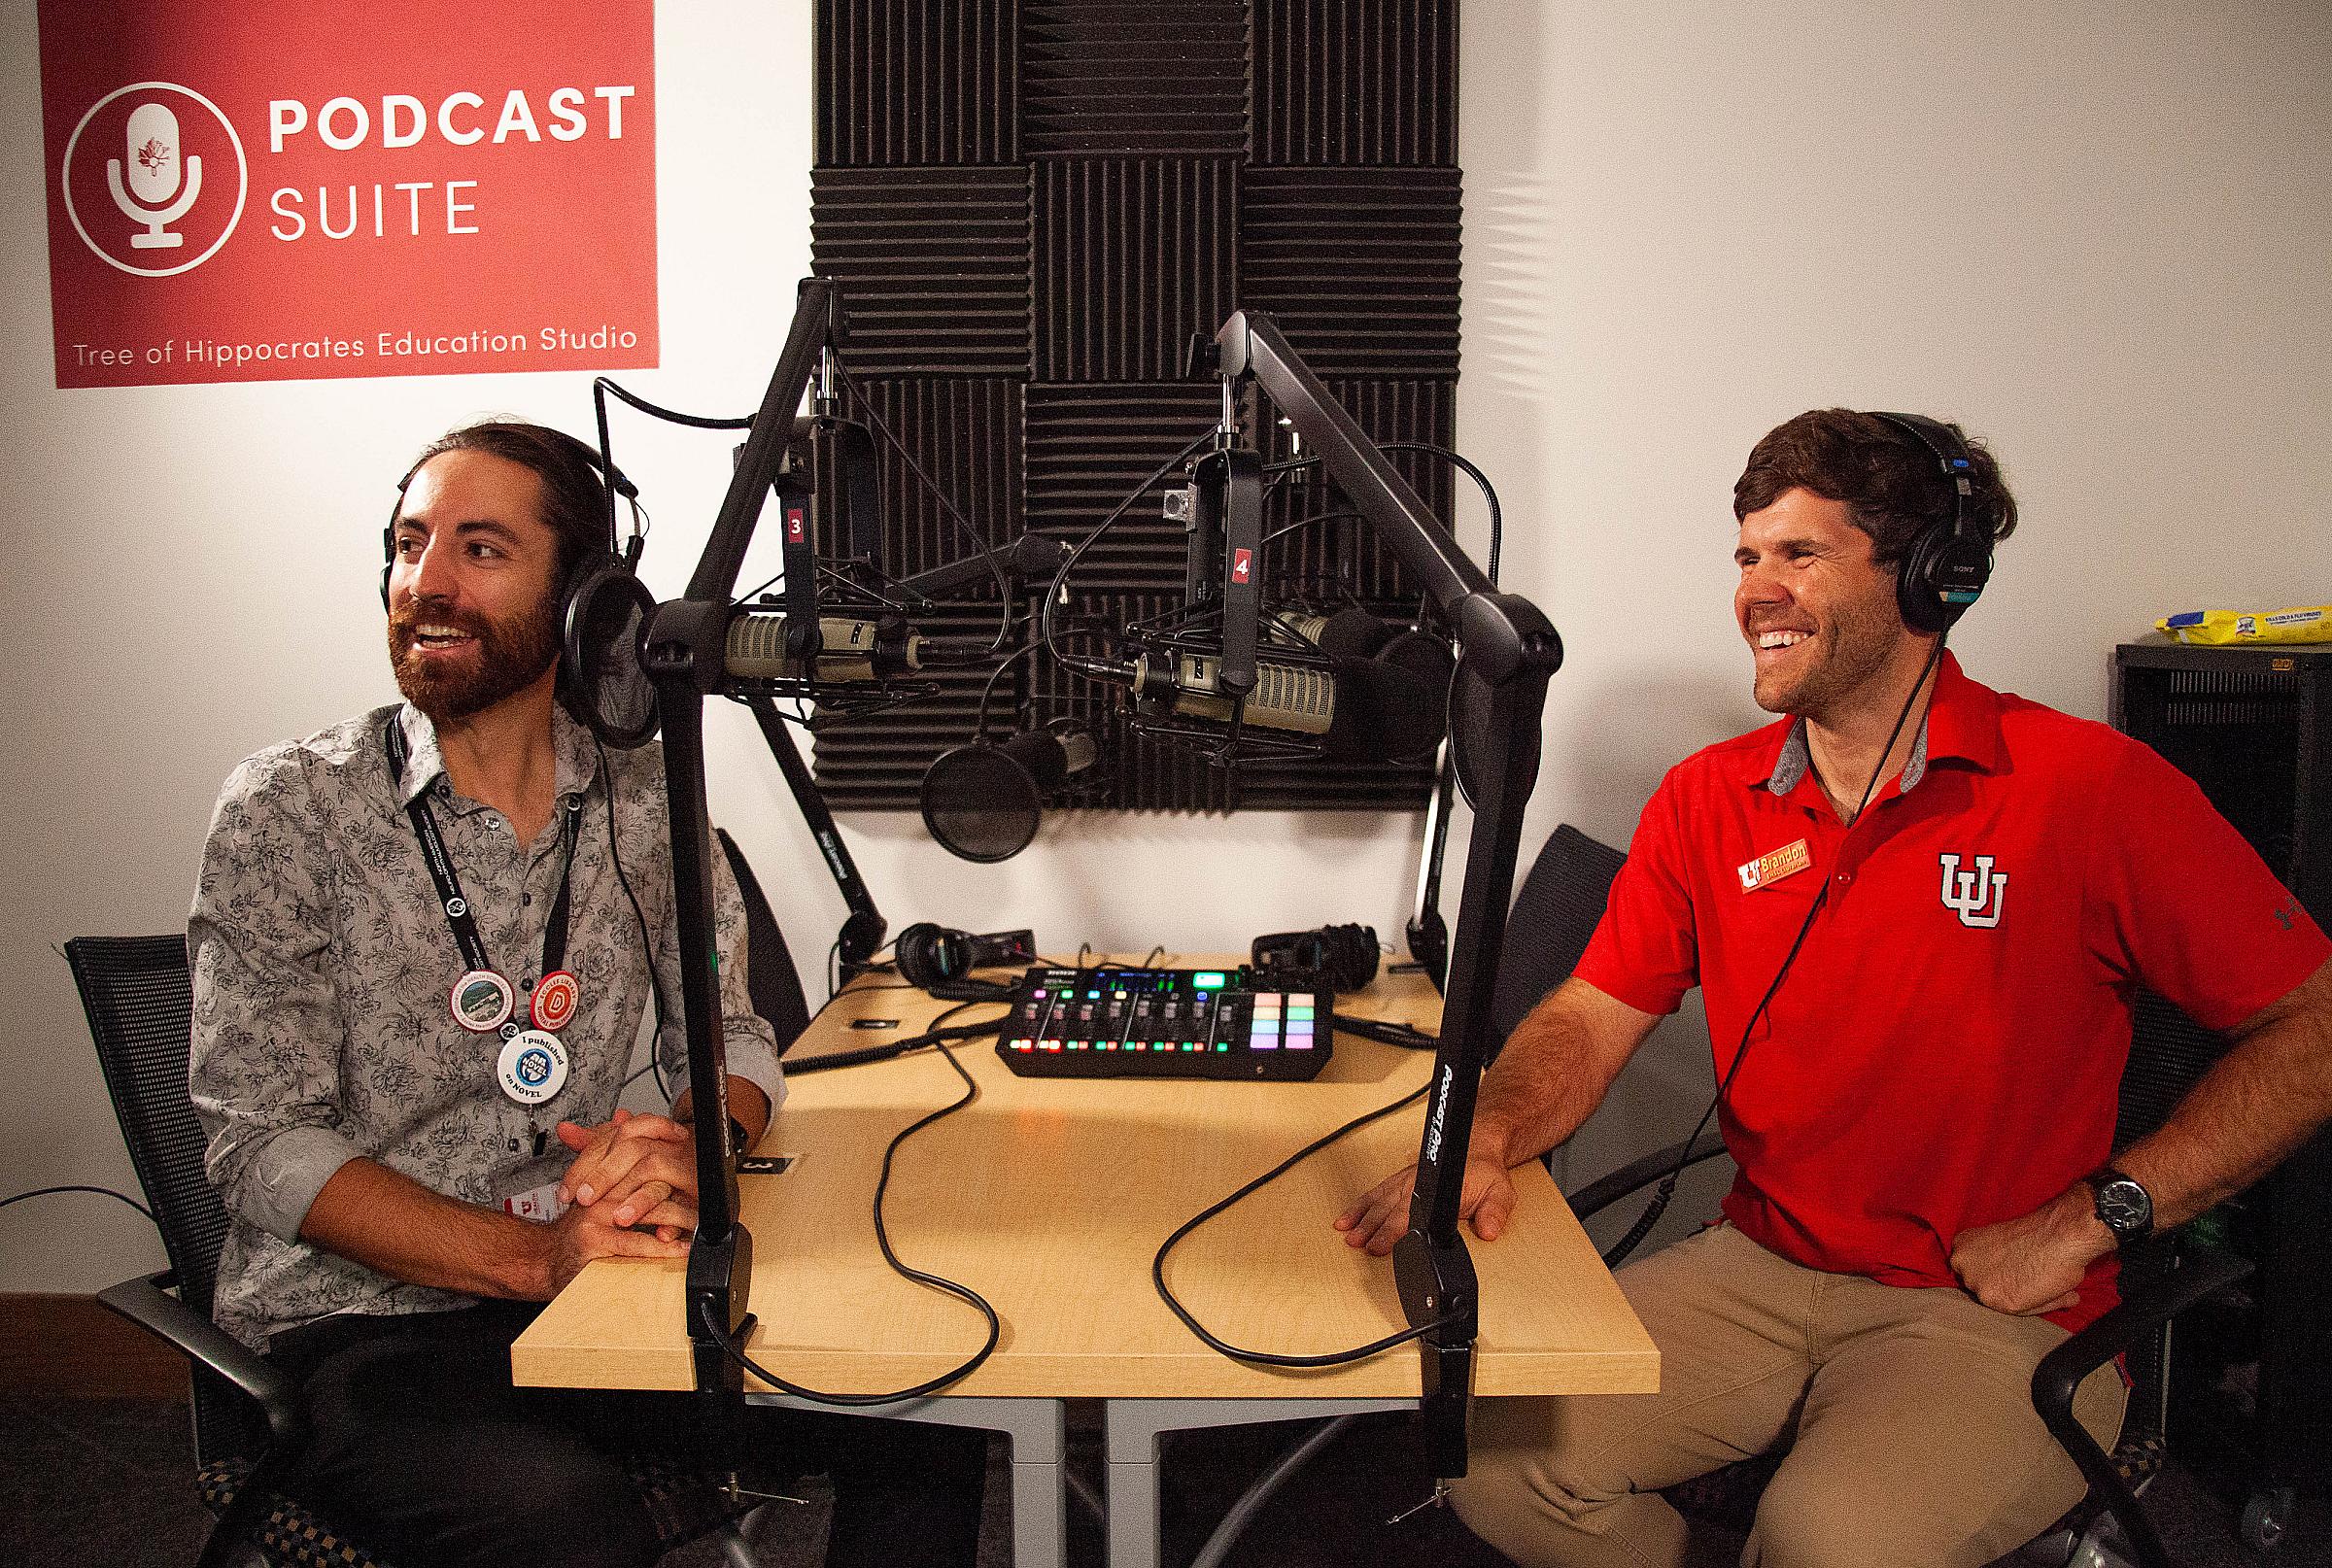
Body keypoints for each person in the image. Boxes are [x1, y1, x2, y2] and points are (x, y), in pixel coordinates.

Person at [1336, 408, 2332, 1568]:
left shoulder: (2090, 788)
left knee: (1830, 1542)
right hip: (1758, 1265)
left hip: (1992, 1311)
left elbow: (2312, 1028)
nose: (1759, 589)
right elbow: (1593, 1012)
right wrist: (1493, 1134)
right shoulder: (1708, 800)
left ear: (1929, 578)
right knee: (1491, 1456)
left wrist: (2090, 1219)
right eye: (1748, 557)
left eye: (1800, 554)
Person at [190, 420, 986, 1568]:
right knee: (561, 1520)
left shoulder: (648, 796)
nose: (427, 584)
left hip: (617, 1288)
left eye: (480, 549)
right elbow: (258, 1143)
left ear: (586, 606)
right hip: (375, 1326)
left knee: (922, 1403)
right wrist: (534, 1258)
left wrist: (691, 1140)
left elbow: (746, 1041)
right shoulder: (289, 810)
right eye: (410, 546)